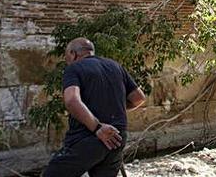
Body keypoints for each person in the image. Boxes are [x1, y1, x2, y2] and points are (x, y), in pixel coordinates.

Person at [42, 37, 146, 177]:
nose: (67, 60)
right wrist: (113, 106)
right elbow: (139, 98)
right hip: (116, 138)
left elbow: (72, 100)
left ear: (73, 54)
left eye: (67, 56)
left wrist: (98, 128)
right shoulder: (115, 66)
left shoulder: (74, 68)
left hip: (89, 138)